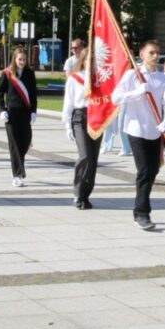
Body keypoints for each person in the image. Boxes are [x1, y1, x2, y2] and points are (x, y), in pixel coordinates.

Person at [111, 39, 165, 230]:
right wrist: (137, 92)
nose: (155, 56)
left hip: (155, 131)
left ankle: (141, 207)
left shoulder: (164, 79)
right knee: (145, 171)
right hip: (136, 129)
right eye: (151, 53)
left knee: (152, 171)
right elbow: (116, 97)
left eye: (157, 53)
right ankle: (141, 213)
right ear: (142, 55)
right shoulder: (133, 75)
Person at [62, 49, 100, 209]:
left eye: (94, 60)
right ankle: (77, 192)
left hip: (96, 118)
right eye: (88, 59)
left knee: (93, 159)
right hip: (80, 117)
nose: (91, 63)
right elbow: (68, 102)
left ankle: (85, 195)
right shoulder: (74, 78)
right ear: (83, 60)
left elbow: (105, 101)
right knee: (85, 156)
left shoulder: (99, 79)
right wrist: (67, 125)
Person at [0, 46, 38, 186]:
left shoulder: (29, 73)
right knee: (14, 144)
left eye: (24, 59)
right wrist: (2, 110)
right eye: (20, 59)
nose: (22, 62)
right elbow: (0, 93)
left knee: (25, 142)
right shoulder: (7, 73)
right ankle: (17, 174)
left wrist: (34, 111)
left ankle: (18, 168)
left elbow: (33, 94)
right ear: (14, 59)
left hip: (25, 113)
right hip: (11, 114)